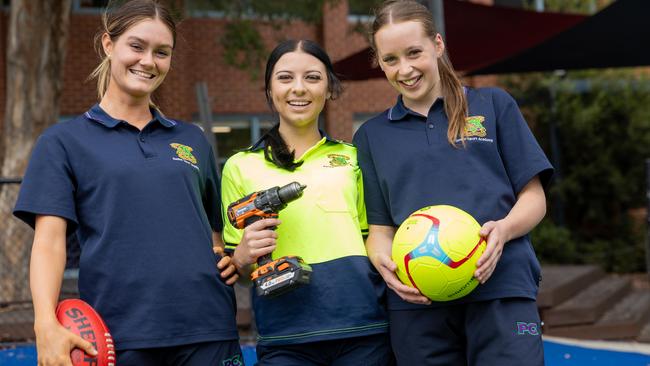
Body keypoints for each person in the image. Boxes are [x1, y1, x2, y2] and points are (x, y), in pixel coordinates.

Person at [14, 1, 243, 365]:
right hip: (118, 333)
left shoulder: (192, 139)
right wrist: (45, 323)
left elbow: (214, 231)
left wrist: (227, 257)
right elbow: (49, 242)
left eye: (161, 52)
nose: (148, 61)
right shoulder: (63, 142)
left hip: (209, 328)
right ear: (109, 44)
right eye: (137, 46)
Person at [352, 1, 554, 365]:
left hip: (501, 285)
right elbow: (380, 229)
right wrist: (383, 262)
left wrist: (504, 231)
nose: (405, 69)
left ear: (438, 45)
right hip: (418, 301)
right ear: (380, 63)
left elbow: (534, 197)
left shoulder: (492, 105)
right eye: (391, 59)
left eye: (415, 53)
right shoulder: (370, 136)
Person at [221, 39, 393, 366]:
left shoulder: (353, 158)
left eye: (312, 77)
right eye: (285, 78)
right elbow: (237, 267)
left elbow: (374, 237)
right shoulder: (239, 166)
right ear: (269, 90)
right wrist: (243, 255)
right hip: (285, 336)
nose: (298, 88)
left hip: (362, 328)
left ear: (329, 88)